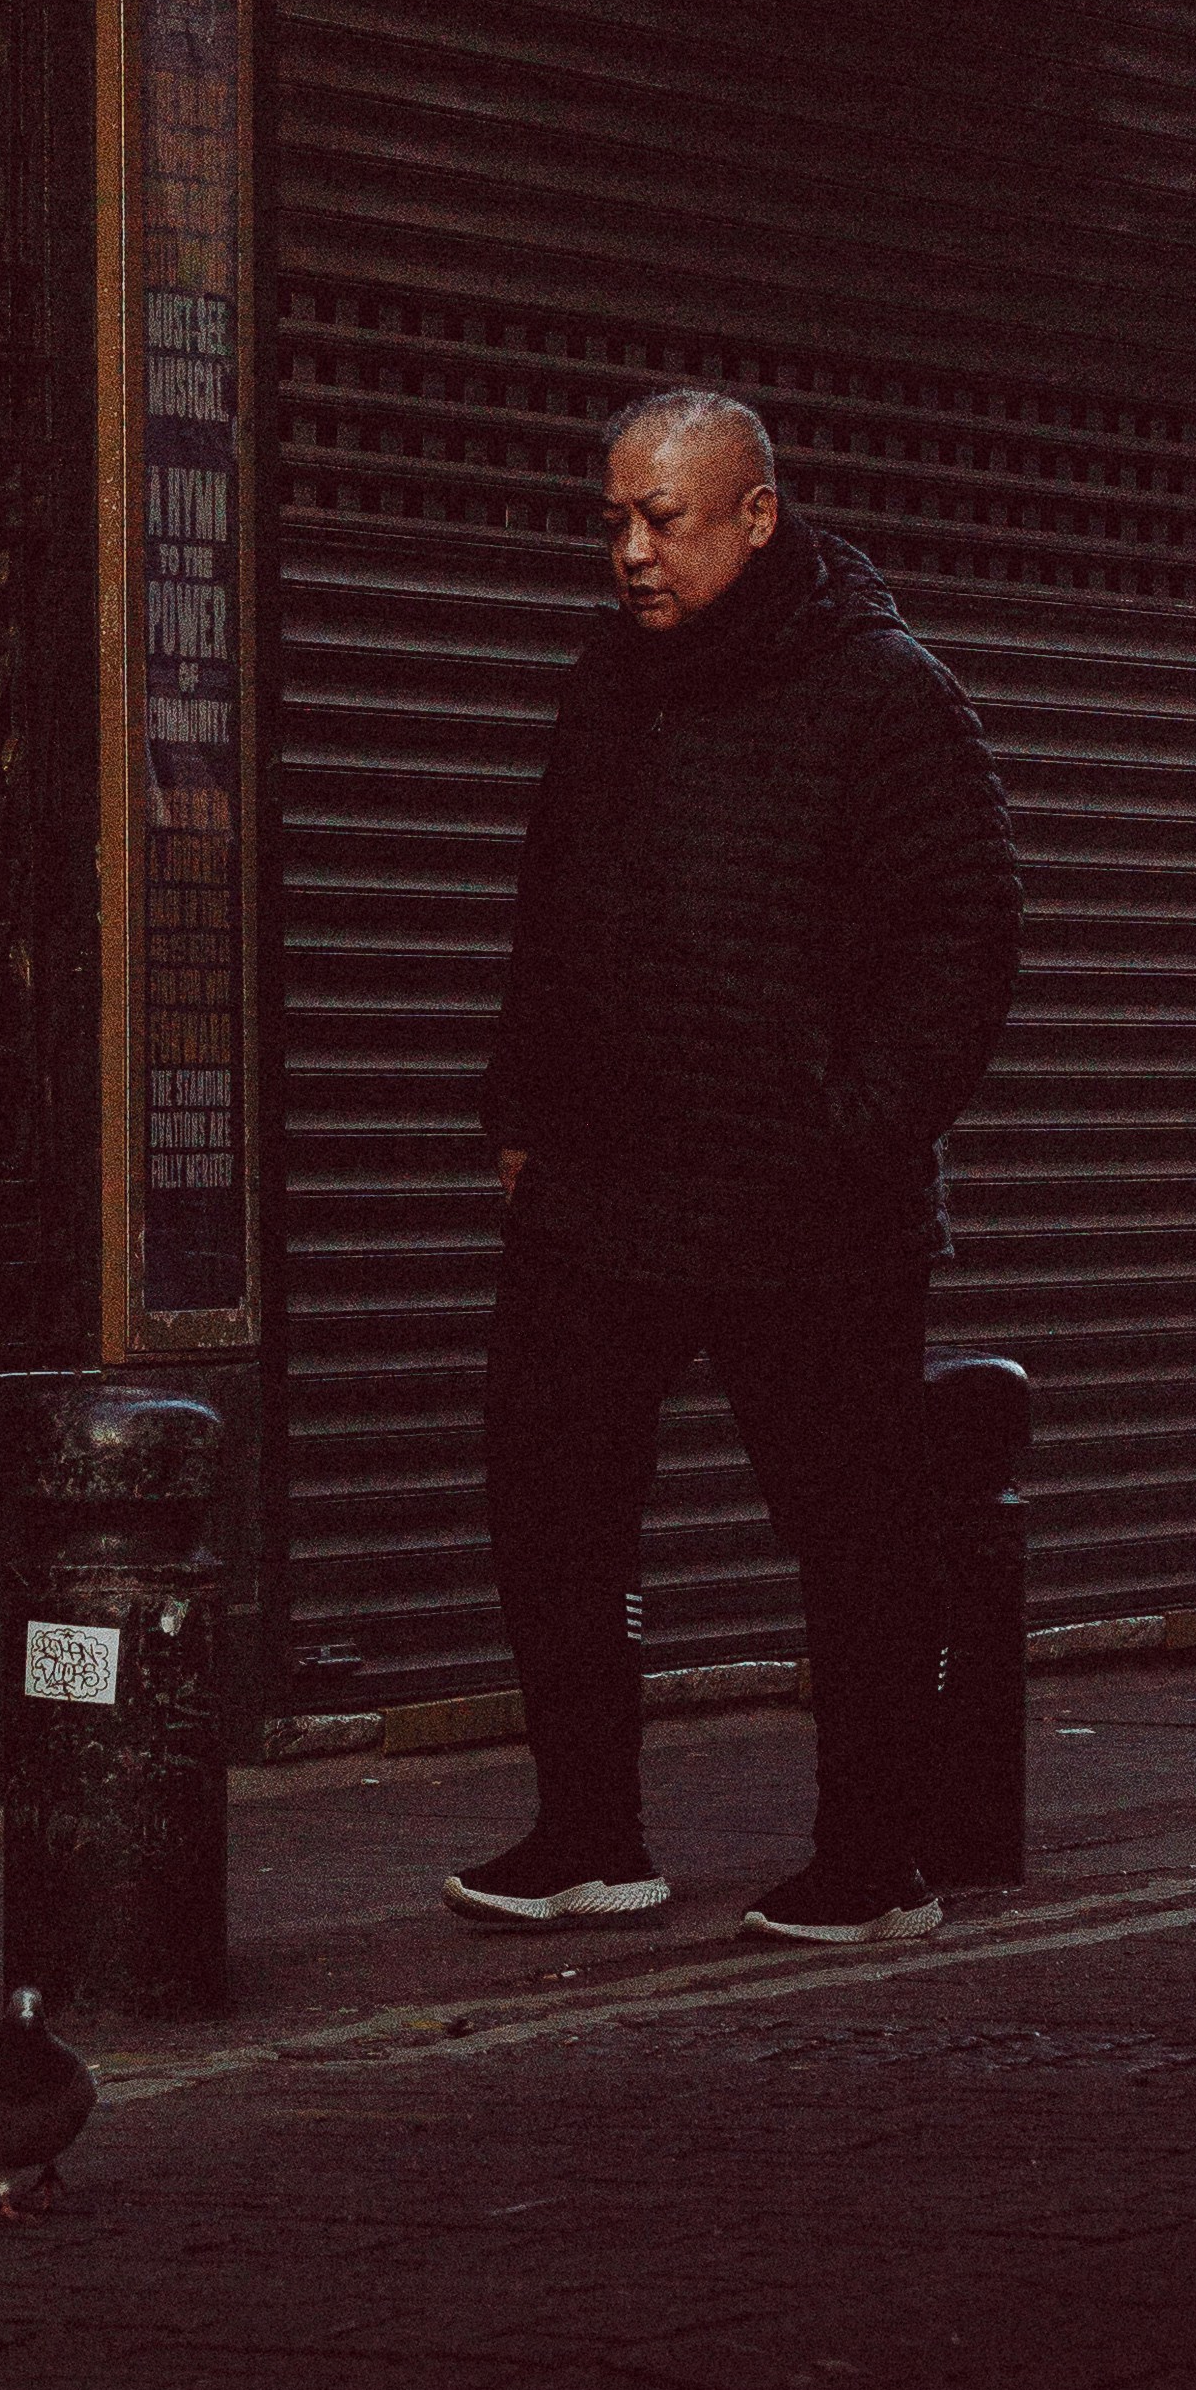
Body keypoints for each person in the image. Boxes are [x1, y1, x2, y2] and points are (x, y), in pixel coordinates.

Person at [444, 386, 1023, 1948]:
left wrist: (857, 1128)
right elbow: (552, 910)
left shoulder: (884, 689)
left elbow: (967, 937)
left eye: (664, 519)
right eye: (613, 521)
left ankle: (875, 1864)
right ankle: (588, 1838)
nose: (631, 553)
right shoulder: (607, 687)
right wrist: (519, 1114)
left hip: (802, 1200)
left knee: (851, 1530)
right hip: (605, 1183)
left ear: (757, 516)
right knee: (551, 1493)